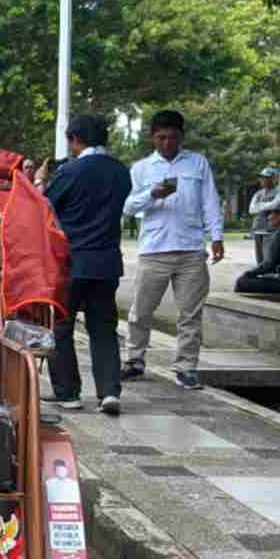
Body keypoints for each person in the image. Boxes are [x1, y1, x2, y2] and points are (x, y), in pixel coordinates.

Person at [121, 110, 225, 391]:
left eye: (173, 137)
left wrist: (216, 236)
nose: (167, 143)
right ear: (152, 138)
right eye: (161, 137)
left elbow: (210, 201)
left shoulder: (197, 164)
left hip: (191, 249)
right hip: (154, 249)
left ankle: (187, 367)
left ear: (182, 137)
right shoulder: (141, 168)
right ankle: (134, 359)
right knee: (141, 310)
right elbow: (128, 206)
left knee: (191, 313)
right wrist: (152, 194)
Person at [44, 114, 133, 415]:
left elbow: (45, 206)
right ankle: (109, 392)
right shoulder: (122, 172)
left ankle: (68, 392)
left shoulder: (71, 171)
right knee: (103, 328)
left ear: (74, 139)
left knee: (61, 326)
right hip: (107, 263)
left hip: (71, 262)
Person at [248, 166, 280, 264]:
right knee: (259, 260)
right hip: (258, 229)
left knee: (269, 258)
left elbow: (276, 205)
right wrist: (267, 206)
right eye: (262, 177)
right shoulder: (258, 193)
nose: (263, 180)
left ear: (273, 179)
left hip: (271, 230)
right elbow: (251, 210)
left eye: (266, 177)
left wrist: (260, 205)